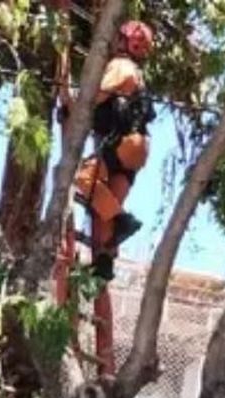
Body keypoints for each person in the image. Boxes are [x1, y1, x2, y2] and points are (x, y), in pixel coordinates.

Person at [72, 19, 156, 280]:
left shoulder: (122, 67)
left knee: (85, 180)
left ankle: (123, 221)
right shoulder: (139, 74)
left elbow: (96, 94)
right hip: (137, 149)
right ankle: (105, 261)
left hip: (121, 141)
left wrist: (72, 104)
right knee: (106, 206)